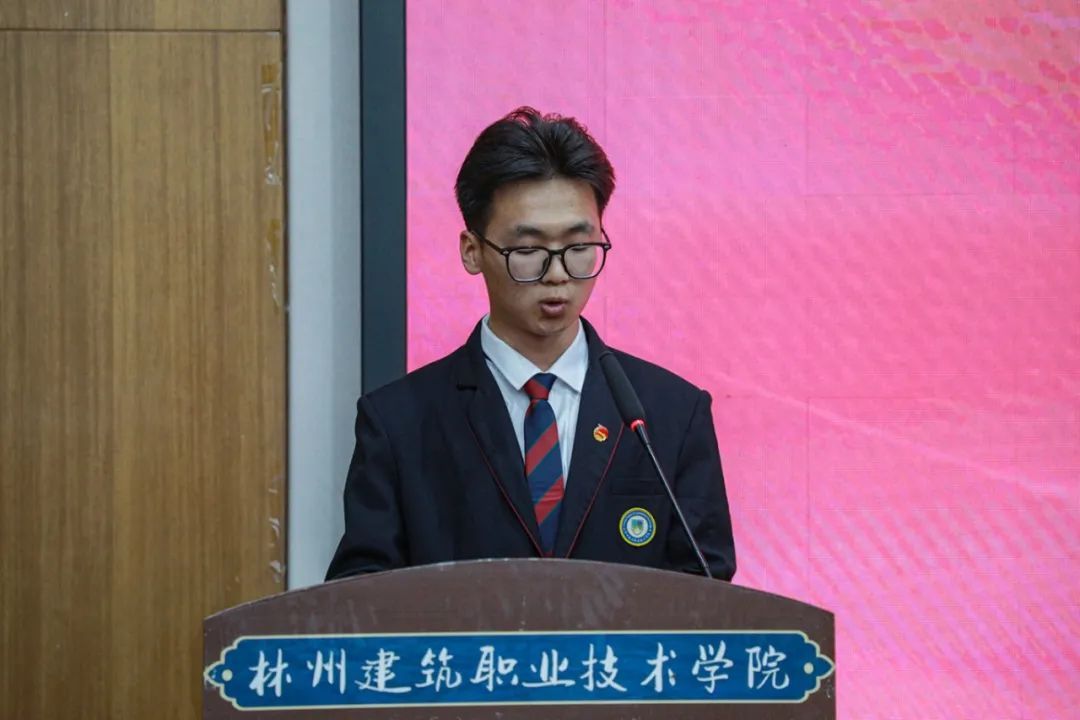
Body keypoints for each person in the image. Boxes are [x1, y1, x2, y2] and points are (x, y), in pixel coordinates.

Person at [326, 107, 735, 581]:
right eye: (528, 250)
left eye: (578, 248)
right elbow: (361, 600)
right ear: (472, 251)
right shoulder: (399, 423)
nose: (558, 274)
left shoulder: (668, 415)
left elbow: (708, 591)